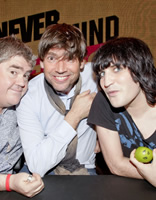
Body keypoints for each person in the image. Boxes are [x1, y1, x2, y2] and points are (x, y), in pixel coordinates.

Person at [16, 23, 97, 177]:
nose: (60, 68)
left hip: (84, 167)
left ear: (82, 62)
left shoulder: (97, 77)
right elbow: (37, 166)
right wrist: (75, 115)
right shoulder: (28, 94)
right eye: (52, 58)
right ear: (41, 62)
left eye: (70, 59)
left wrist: (105, 133)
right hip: (42, 169)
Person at [0, 35, 44, 196]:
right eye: (13, 72)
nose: (22, 82)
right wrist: (8, 182)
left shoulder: (22, 102)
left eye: (26, 75)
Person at [88, 37, 156, 180]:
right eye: (102, 74)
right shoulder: (103, 102)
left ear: (140, 69)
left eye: (117, 69)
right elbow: (116, 164)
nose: (106, 82)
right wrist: (150, 174)